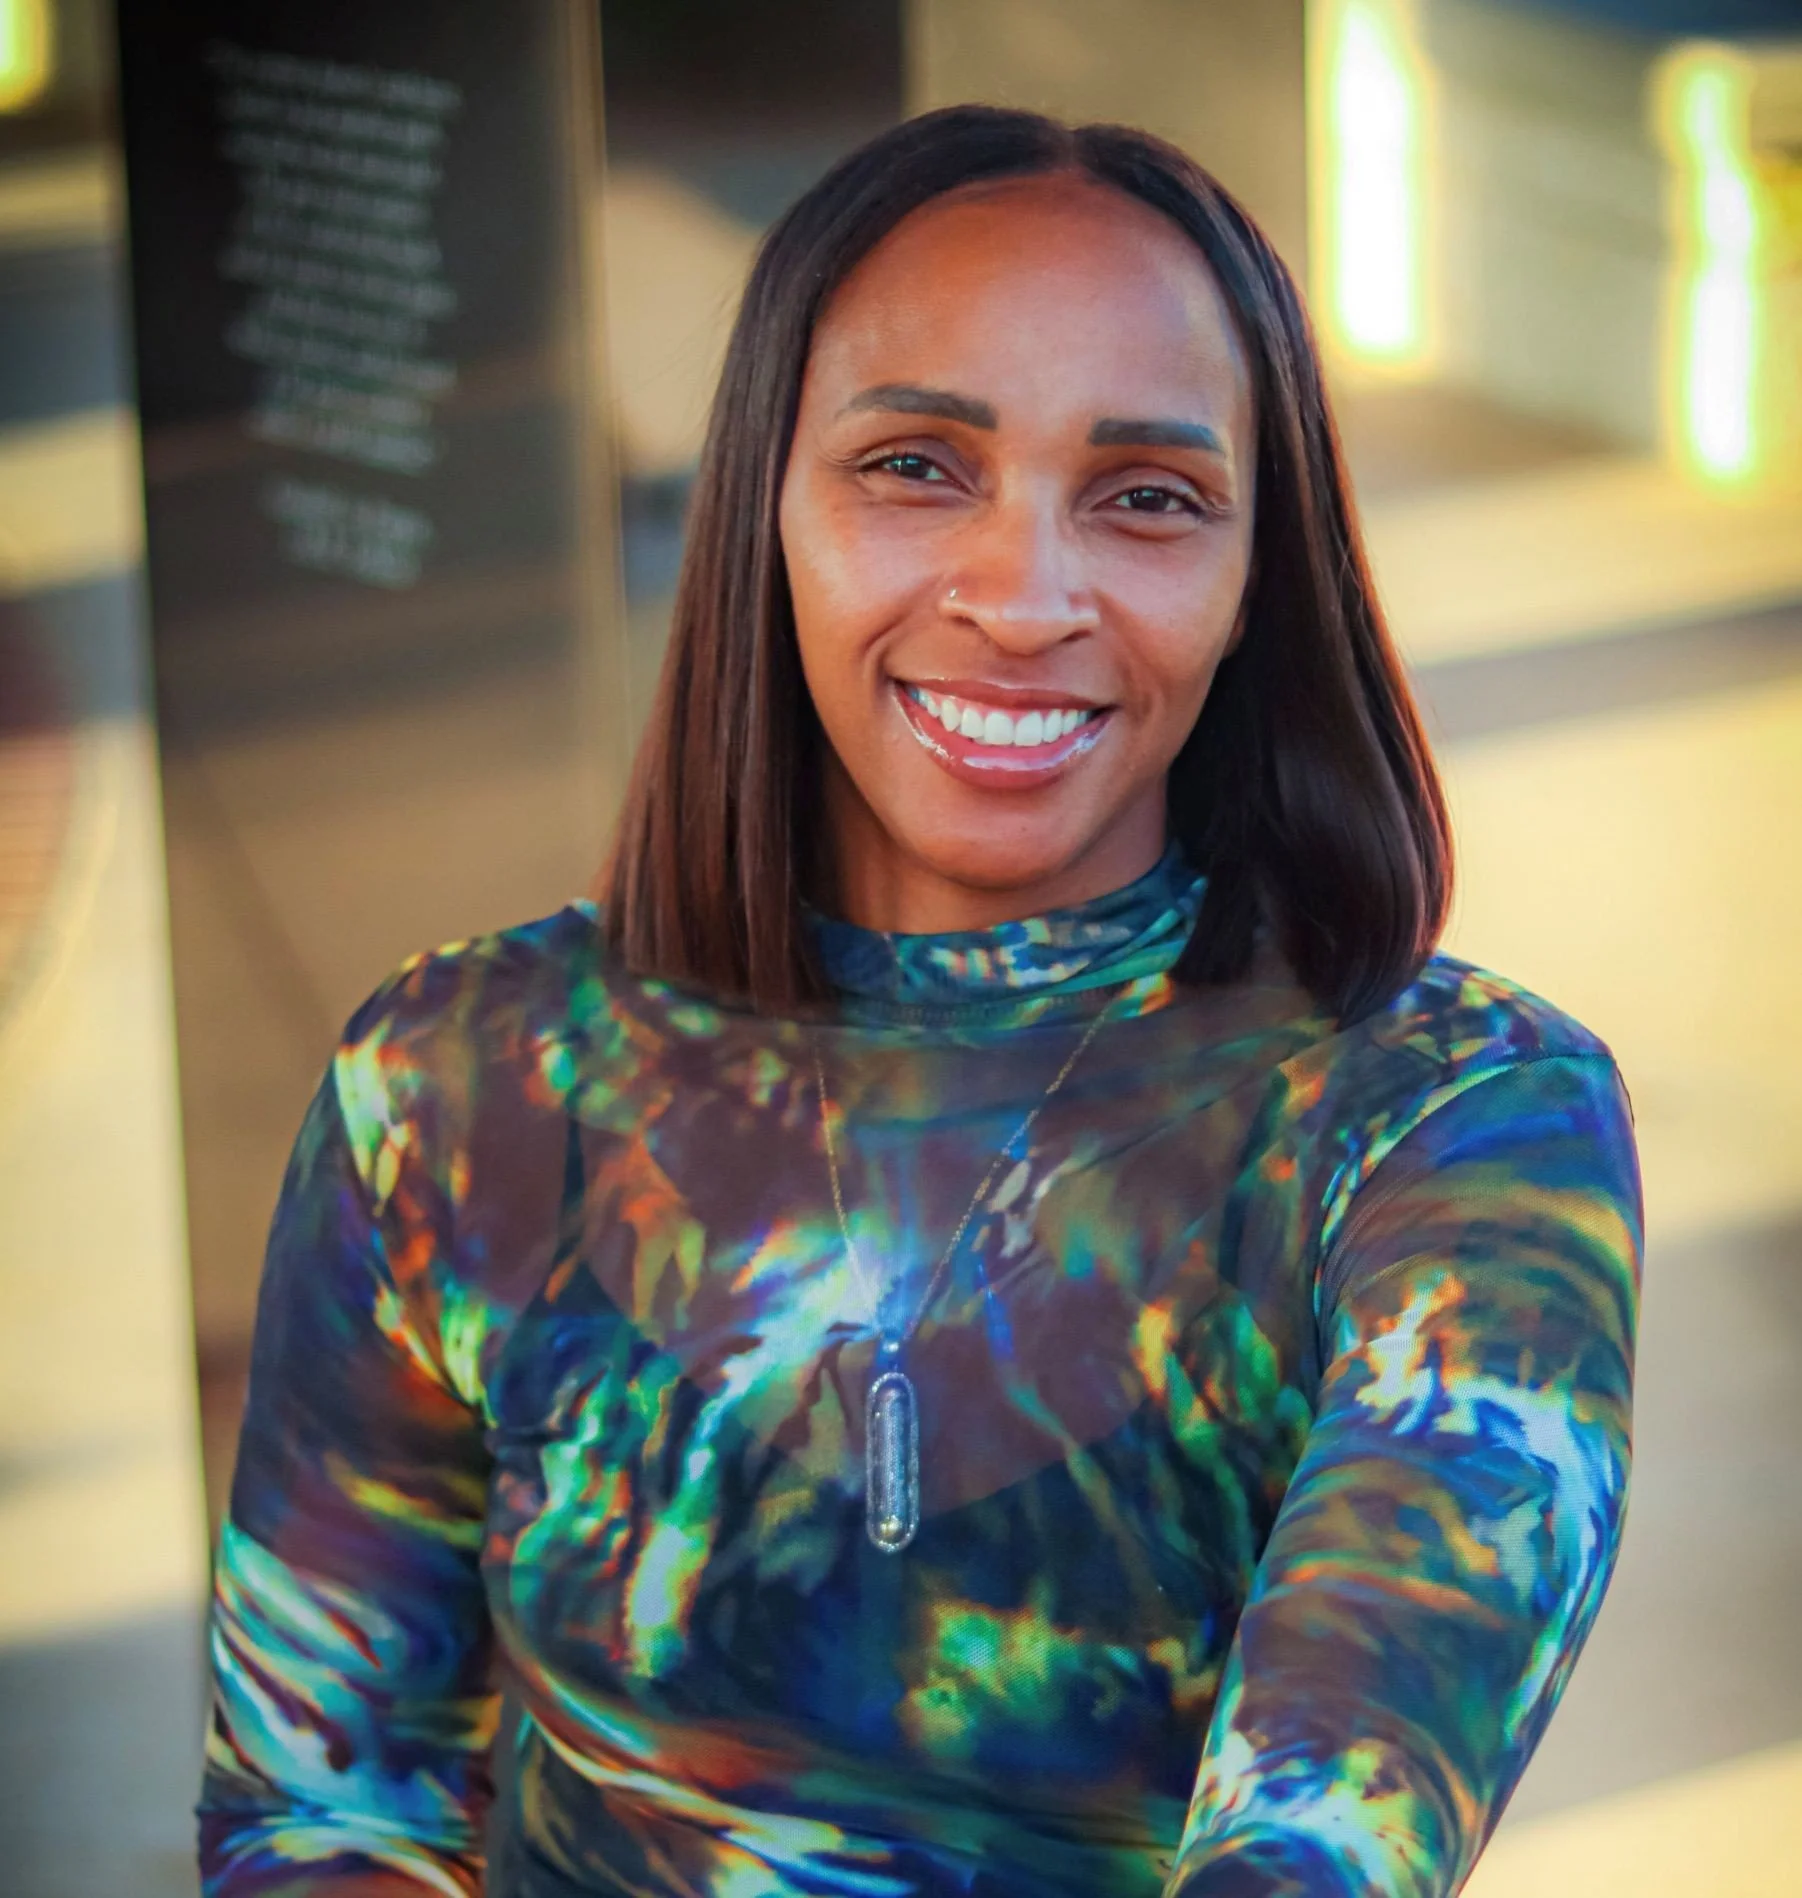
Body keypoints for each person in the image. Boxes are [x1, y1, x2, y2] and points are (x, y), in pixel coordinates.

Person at [197, 106, 1641, 1898]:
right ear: (765, 508)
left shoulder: (1450, 1119)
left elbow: (1328, 1832)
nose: (1023, 597)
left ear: (1256, 573)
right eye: (914, 466)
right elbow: (327, 1805)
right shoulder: (458, 1079)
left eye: (1147, 498)